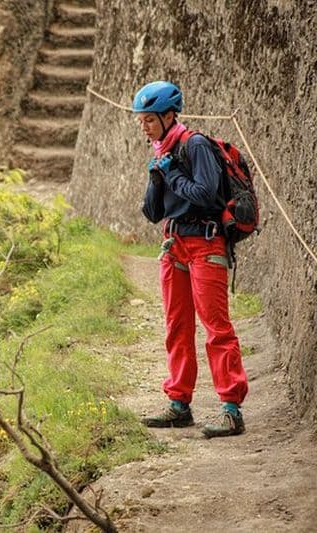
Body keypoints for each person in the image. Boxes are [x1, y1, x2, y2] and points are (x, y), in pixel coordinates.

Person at [133, 80, 248, 438]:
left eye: (149, 120)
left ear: (169, 116)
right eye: (141, 120)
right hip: (175, 246)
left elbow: (204, 194)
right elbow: (152, 213)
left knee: (217, 327)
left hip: (206, 245)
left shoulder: (194, 145)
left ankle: (231, 410)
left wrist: (171, 172)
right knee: (176, 326)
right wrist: (157, 176)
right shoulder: (162, 150)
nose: (144, 126)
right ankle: (179, 404)